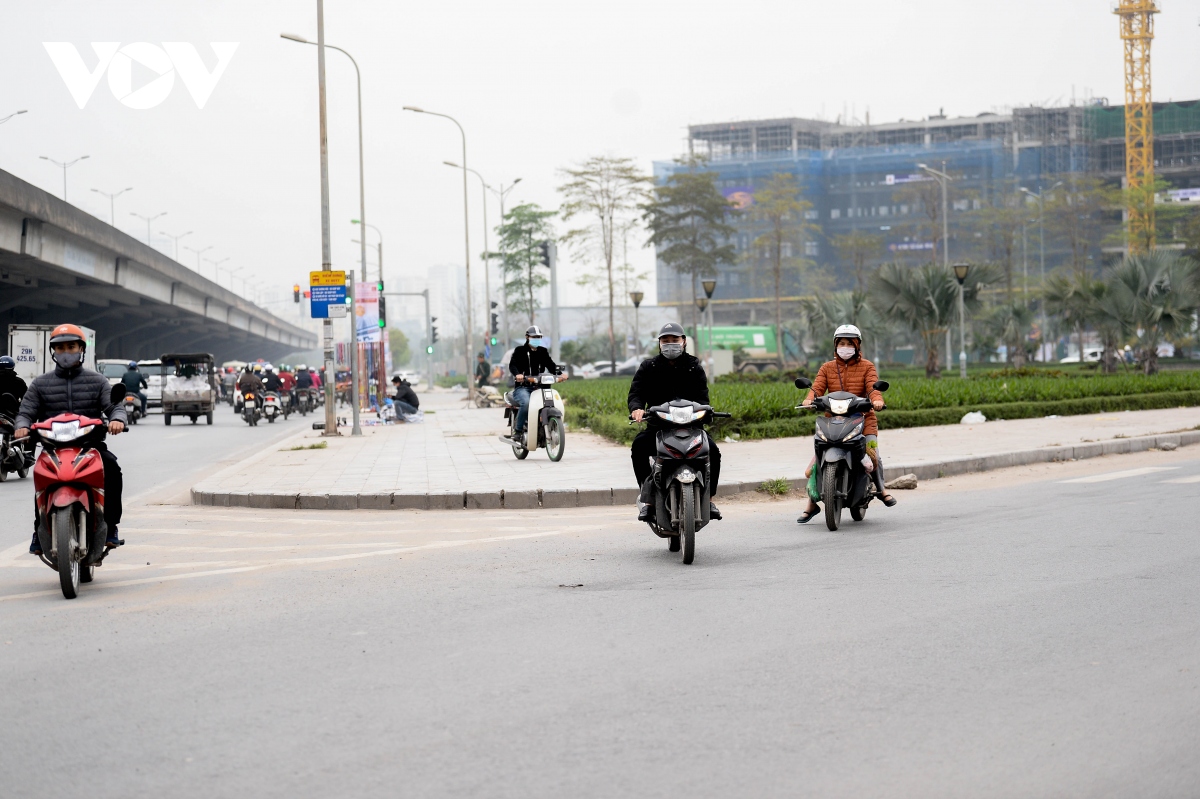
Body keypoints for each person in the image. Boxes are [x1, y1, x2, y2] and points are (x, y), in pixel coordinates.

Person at [14, 324, 127, 554]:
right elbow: (25, 411)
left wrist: (118, 419)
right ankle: (40, 529)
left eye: (71, 347)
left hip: (89, 446)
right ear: (53, 352)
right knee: (41, 480)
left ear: (81, 349)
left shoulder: (98, 381)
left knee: (112, 469)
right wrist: (22, 426)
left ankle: (112, 526)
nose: (66, 352)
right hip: (52, 449)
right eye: (60, 348)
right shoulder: (40, 384)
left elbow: (114, 406)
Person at [797, 324, 896, 524]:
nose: (845, 347)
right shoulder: (827, 368)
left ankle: (882, 489)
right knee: (819, 454)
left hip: (863, 418)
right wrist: (809, 399)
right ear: (835, 346)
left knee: (872, 451)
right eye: (841, 343)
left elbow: (872, 388)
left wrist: (877, 400)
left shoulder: (867, 366)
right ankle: (812, 502)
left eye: (849, 343)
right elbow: (816, 388)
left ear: (857, 346)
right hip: (833, 419)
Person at [628, 322, 722, 522]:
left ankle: (710, 499)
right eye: (666, 341)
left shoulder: (694, 366)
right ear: (659, 343)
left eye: (675, 340)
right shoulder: (648, 367)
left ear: (684, 342)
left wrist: (705, 411)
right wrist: (636, 408)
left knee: (712, 451)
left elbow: (703, 398)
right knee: (638, 447)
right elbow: (636, 393)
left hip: (692, 427)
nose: (671, 344)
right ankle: (649, 501)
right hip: (658, 427)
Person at [508, 325, 562, 443]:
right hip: (523, 387)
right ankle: (518, 431)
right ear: (527, 337)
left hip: (539, 388)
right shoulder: (519, 351)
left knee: (550, 402)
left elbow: (550, 365)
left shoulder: (543, 351)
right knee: (526, 403)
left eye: (539, 337)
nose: (537, 339)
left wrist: (560, 374)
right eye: (534, 337)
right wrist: (517, 374)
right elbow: (512, 365)